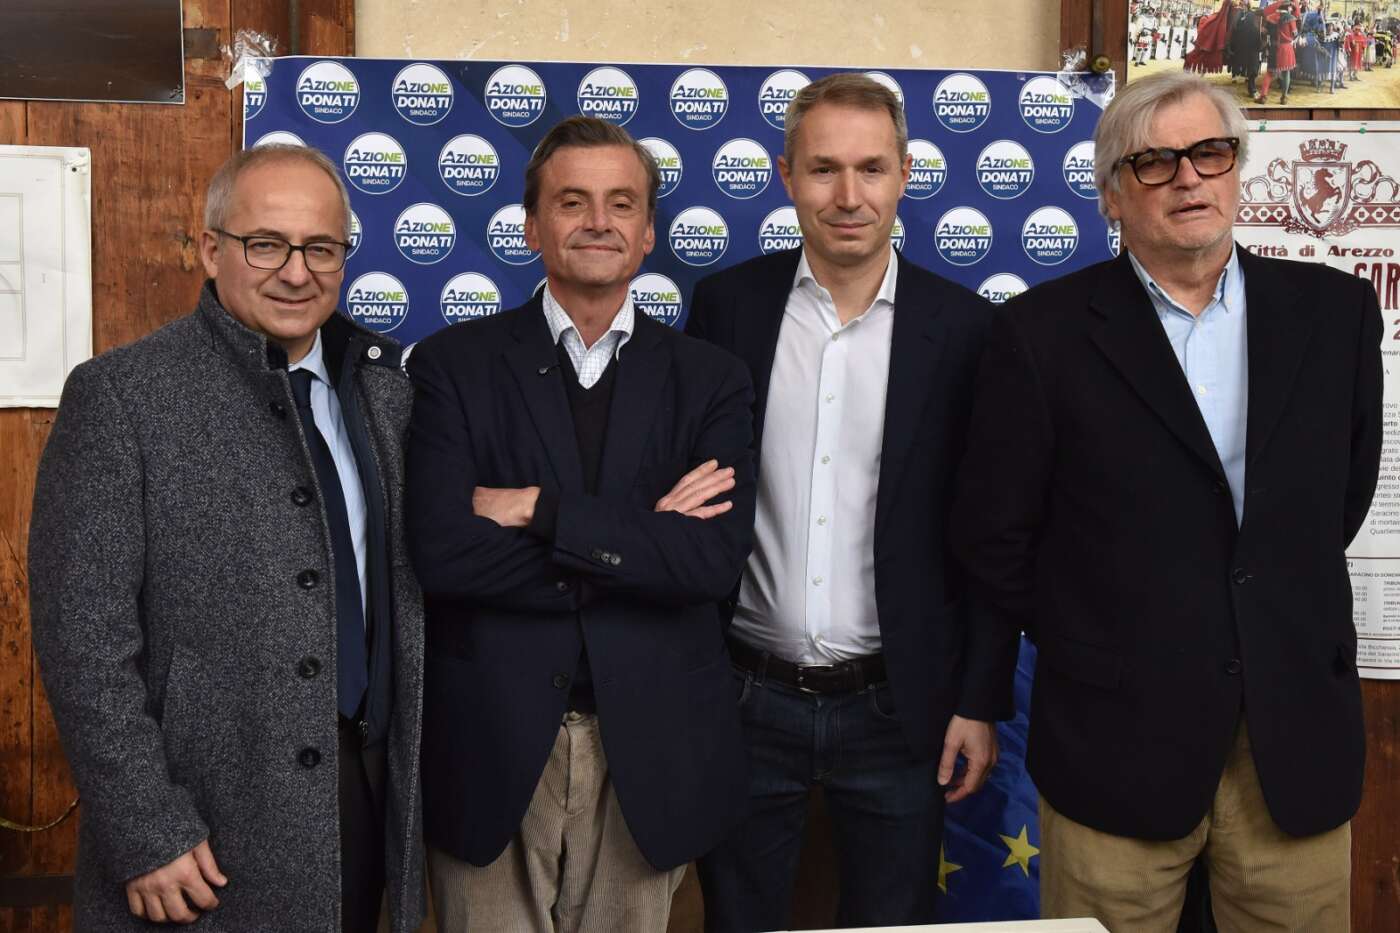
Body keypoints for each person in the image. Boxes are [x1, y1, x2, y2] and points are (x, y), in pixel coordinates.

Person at [952, 71, 1381, 933]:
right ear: (1112, 195)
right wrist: (1098, 628)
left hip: (1290, 739)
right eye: (1155, 162)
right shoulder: (1039, 333)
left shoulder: (1335, 312)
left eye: (1210, 152)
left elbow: (1341, 497)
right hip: (1114, 740)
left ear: (1236, 168)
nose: (1189, 177)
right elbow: (998, 537)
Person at [28, 144, 426, 931]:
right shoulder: (122, 396)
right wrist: (146, 827)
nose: (297, 272)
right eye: (266, 244)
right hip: (201, 821)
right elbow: (82, 638)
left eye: (321, 248)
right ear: (212, 250)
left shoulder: (387, 392)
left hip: (366, 793)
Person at [406, 115, 756, 931]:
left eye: (620, 203)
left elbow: (707, 564)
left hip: (653, 749)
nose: (598, 220)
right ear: (532, 227)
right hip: (491, 743)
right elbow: (446, 555)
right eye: (572, 201)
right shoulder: (452, 365)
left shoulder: (711, 379)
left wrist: (538, 510)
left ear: (648, 232)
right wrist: (637, 543)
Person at [685, 72, 1015, 931]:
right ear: (786, 175)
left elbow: (992, 534)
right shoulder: (726, 308)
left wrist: (977, 698)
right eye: (823, 168)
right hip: (743, 697)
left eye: (871, 168)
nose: (848, 195)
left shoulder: (967, 330)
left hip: (900, 707)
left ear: (905, 174)